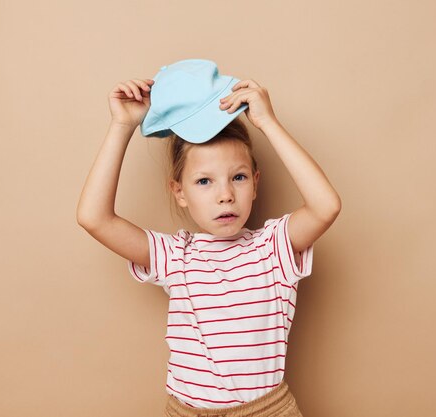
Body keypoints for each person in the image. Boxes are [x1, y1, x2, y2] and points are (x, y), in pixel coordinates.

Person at [76, 74, 341, 417]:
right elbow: (94, 218)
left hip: (265, 410)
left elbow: (326, 206)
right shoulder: (175, 256)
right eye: (204, 181)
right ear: (180, 192)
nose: (225, 194)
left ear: (255, 183)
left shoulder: (273, 248)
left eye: (239, 177)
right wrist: (121, 125)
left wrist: (268, 123)